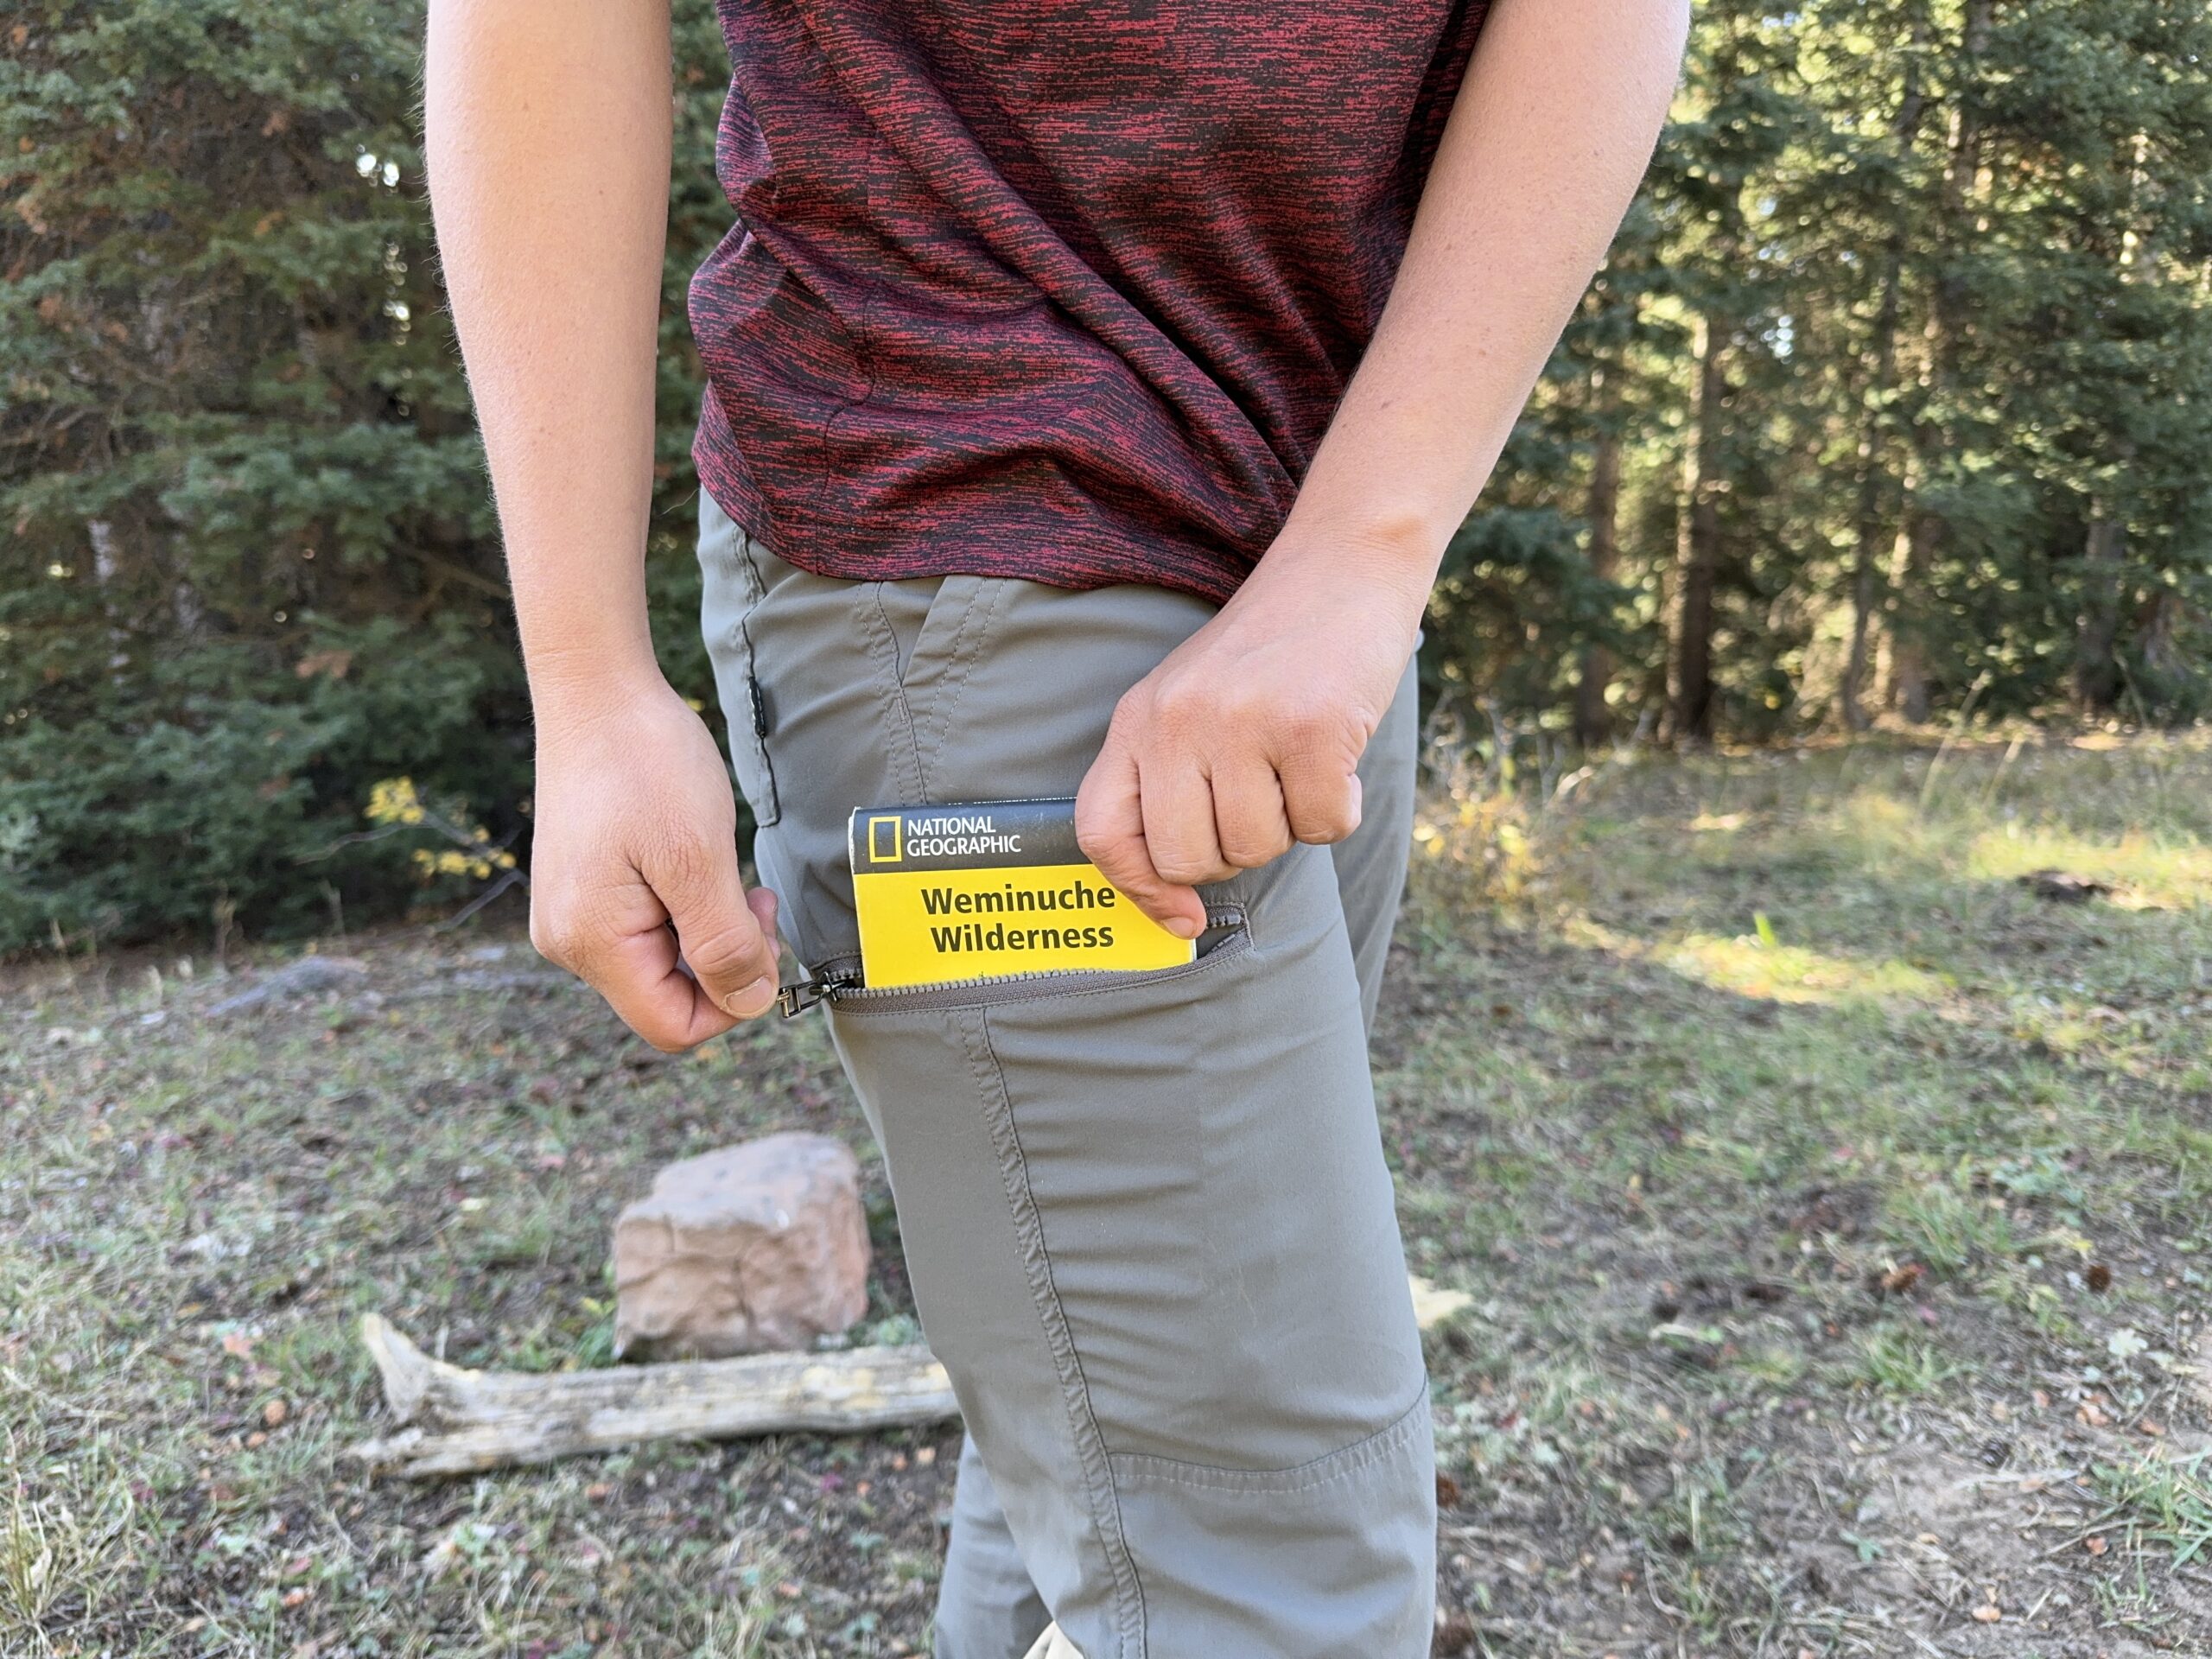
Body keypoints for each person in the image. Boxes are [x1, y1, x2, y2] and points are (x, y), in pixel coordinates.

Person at [423, 1, 1686, 1652]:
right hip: (976, 538)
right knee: (1267, 1565)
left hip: (1315, 557)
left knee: (1110, 1454)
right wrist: (586, 677)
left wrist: (1365, 555)